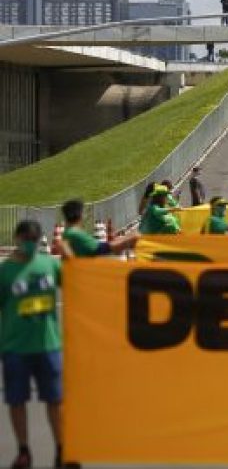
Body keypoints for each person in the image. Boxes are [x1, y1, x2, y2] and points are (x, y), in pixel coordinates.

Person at [2, 221, 67, 469]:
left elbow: (78, 281)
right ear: (18, 238)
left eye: (34, 237)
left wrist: (68, 250)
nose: (30, 241)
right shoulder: (5, 272)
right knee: (17, 401)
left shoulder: (49, 264)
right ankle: (23, 450)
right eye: (26, 237)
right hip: (15, 348)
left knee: (55, 401)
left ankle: (62, 450)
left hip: (48, 346)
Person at [60, 199, 138, 257]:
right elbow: (98, 249)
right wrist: (126, 241)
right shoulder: (75, 233)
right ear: (79, 215)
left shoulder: (67, 233)